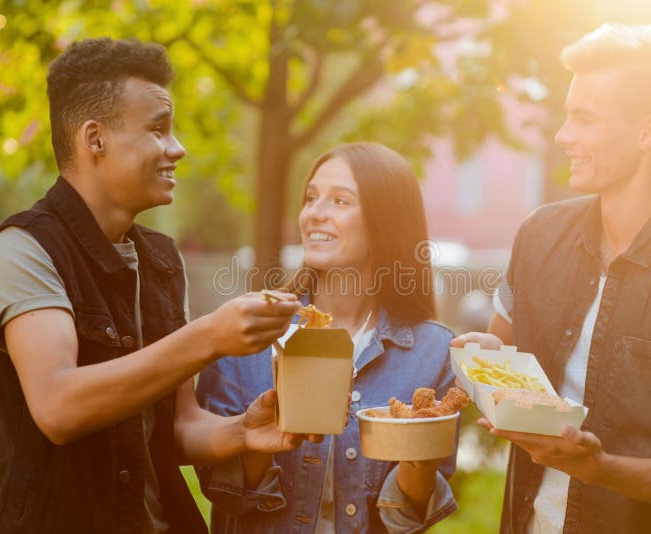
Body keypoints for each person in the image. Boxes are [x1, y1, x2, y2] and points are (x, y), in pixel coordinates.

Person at [0, 38, 318, 533]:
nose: (177, 149)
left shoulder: (160, 258)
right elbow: (58, 406)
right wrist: (207, 337)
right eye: (158, 130)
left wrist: (244, 430)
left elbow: (177, 427)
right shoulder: (23, 248)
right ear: (94, 139)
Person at [454, 24, 651, 533]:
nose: (562, 135)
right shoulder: (538, 237)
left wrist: (601, 469)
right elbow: (503, 372)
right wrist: (487, 361)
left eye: (584, 118)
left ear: (647, 132)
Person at [196, 142, 459, 532]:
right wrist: (253, 442)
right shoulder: (247, 333)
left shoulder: (432, 352)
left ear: (385, 220)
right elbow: (224, 492)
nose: (314, 214)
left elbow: (406, 519)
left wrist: (416, 455)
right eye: (311, 198)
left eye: (339, 201)